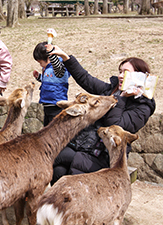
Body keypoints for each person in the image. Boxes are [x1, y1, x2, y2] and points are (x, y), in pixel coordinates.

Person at [49, 45, 156, 186]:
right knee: (57, 170)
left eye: (125, 72)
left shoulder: (143, 107)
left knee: (57, 157)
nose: (120, 75)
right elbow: (85, 78)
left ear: (139, 76)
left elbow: (115, 124)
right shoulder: (110, 90)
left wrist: (122, 98)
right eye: (120, 71)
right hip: (83, 145)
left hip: (104, 156)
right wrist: (65, 57)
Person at [33, 42, 71, 126]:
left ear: (48, 57)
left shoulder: (59, 68)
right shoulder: (46, 69)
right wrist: (39, 77)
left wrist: (51, 53)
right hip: (47, 105)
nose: (40, 65)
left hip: (56, 105)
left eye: (40, 62)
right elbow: (48, 81)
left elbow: (57, 67)